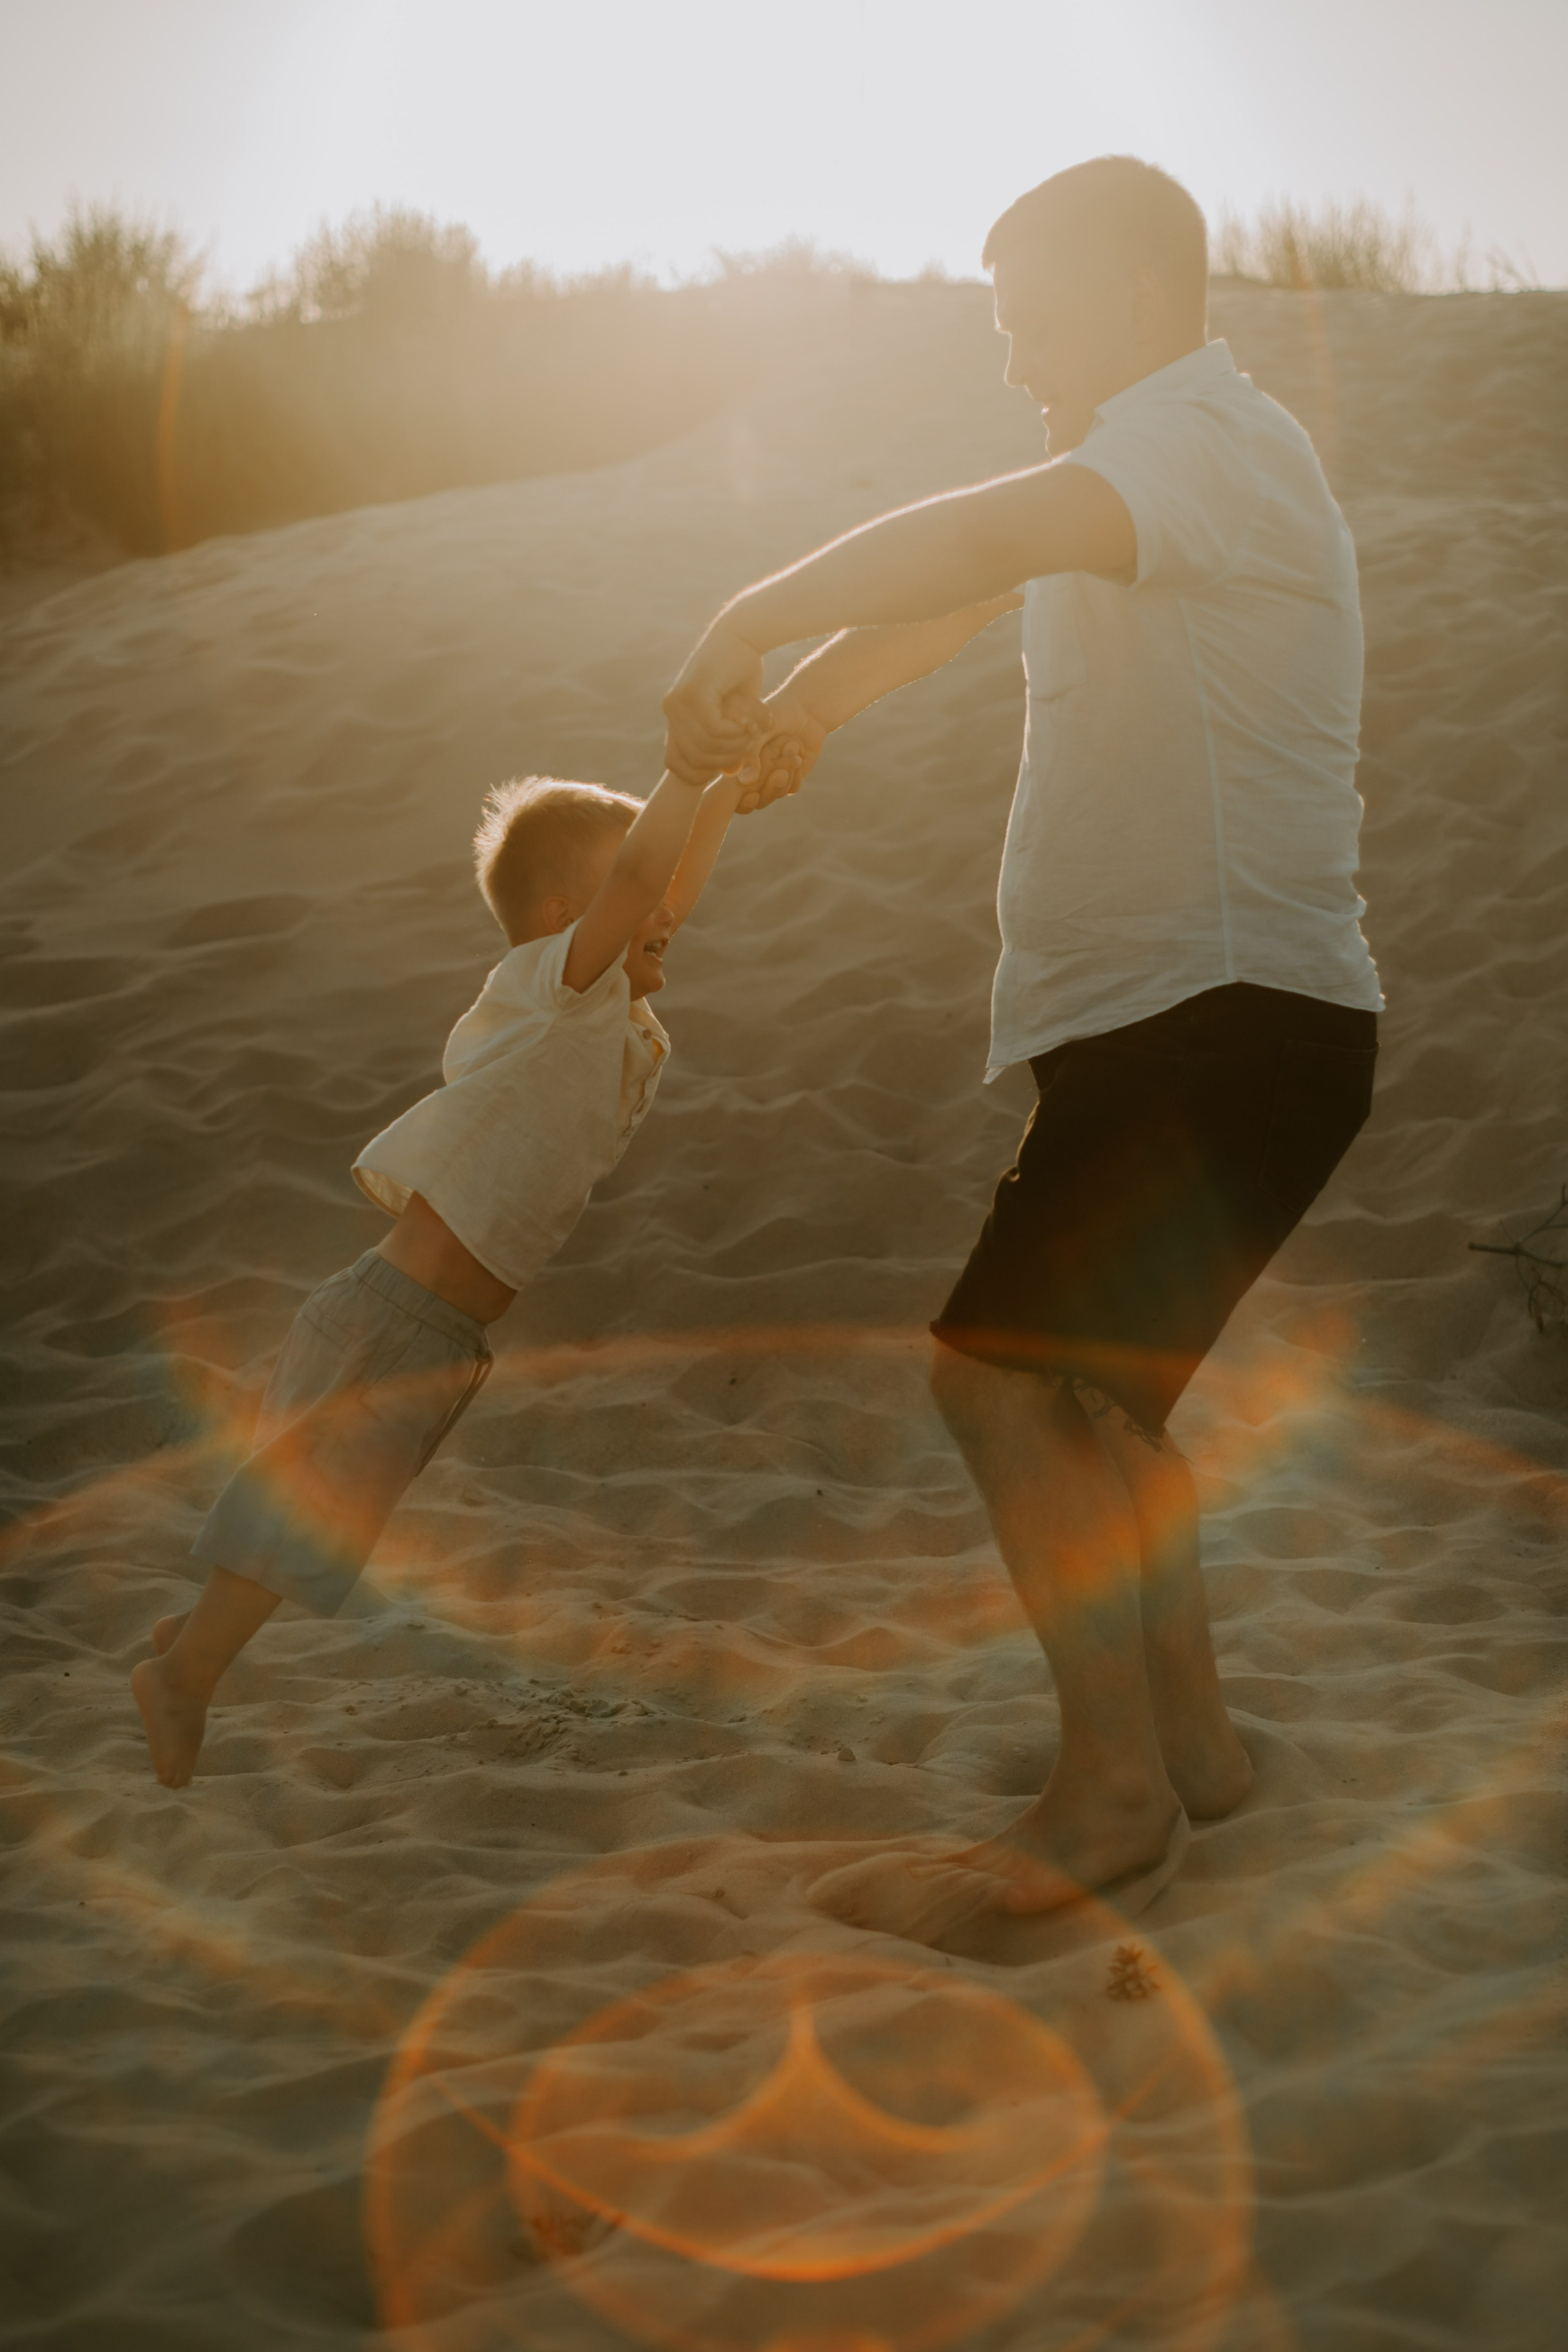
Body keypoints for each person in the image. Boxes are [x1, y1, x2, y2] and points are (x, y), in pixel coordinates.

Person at [663, 155, 1382, 1940]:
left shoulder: (1200, 448)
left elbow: (985, 538)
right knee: (1095, 1404)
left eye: (1027, 318)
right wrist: (807, 716)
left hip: (1214, 1024)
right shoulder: (1157, 473)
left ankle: (1111, 1799)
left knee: (991, 1381)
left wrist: (743, 619)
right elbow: (969, 602)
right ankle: (1195, 1758)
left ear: (1136, 297)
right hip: (1203, 1026)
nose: (1010, 358)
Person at [132, 764, 743, 1787]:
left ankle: (194, 1633)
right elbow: (643, 876)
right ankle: (184, 1675)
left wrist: (727, 787)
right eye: (643, 896)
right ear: (564, 917)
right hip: (393, 1317)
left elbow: (662, 880)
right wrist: (687, 768)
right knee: (308, 1517)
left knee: (321, 1519)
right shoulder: (564, 988)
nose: (668, 912)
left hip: (436, 1335)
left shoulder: (612, 1013)